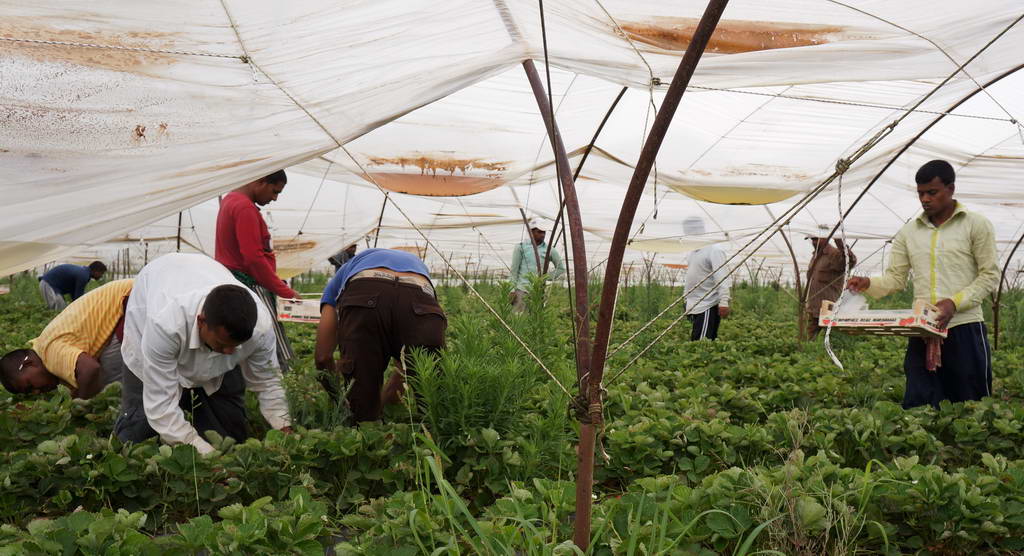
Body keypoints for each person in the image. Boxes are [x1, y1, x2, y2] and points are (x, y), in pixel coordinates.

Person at [847, 160, 998, 409]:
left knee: (971, 405)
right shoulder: (909, 232)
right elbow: (895, 279)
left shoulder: (975, 225)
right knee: (920, 405)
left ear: (950, 189)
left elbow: (989, 275)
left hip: (963, 327)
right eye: (920, 193)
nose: (925, 199)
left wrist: (954, 303)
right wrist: (866, 283)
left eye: (932, 192)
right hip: (922, 329)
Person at [114, 253, 292, 455]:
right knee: (139, 428)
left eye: (236, 346)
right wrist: (202, 453)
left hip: (199, 297)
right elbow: (161, 408)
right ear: (201, 321)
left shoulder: (260, 328)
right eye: (223, 344)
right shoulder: (165, 324)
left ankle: (221, 464)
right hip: (150, 323)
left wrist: (283, 425)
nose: (229, 352)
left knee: (228, 432)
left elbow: (268, 381)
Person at [314, 248, 446, 422]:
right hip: (420, 294)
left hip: (364, 291)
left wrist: (342, 400)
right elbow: (401, 373)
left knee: (361, 409)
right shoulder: (417, 267)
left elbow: (323, 357)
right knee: (434, 404)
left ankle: (365, 431)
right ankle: (438, 438)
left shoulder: (340, 278)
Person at [215, 170, 297, 371]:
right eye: (274, 191)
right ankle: (282, 386)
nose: (274, 198)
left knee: (245, 337)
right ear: (260, 181)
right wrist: (285, 291)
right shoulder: (244, 208)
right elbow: (254, 259)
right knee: (273, 344)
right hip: (251, 285)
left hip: (234, 283)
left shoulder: (230, 200)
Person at [0, 279, 132, 399]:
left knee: (110, 377)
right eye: (29, 393)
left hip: (131, 299)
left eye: (30, 386)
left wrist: (84, 401)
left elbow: (90, 369)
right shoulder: (43, 347)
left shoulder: (50, 354)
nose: (36, 391)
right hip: (130, 297)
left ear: (29, 364)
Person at [682, 216, 732, 341]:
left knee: (701, 343)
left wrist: (724, 302)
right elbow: (691, 278)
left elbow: (722, 277)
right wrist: (686, 300)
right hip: (694, 304)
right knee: (699, 339)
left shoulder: (714, 250)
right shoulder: (692, 252)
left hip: (707, 304)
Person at [804, 237, 857, 339]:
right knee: (808, 341)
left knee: (832, 340)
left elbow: (849, 261)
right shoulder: (815, 256)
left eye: (816, 239)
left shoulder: (834, 254)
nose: (814, 242)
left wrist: (840, 243)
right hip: (813, 309)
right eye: (812, 239)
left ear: (826, 238)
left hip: (829, 310)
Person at [509, 219, 565, 312]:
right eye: (539, 232)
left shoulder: (549, 249)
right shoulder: (521, 247)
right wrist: (511, 290)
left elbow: (560, 268)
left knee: (534, 318)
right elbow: (514, 271)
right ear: (531, 232)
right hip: (521, 290)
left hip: (538, 292)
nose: (542, 235)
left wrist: (545, 277)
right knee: (518, 320)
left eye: (544, 232)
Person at [38, 261, 107, 311]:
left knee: (62, 310)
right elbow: (78, 298)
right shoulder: (83, 276)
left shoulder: (84, 273)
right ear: (96, 271)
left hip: (49, 285)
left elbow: (74, 294)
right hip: (49, 284)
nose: (101, 276)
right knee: (59, 311)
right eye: (102, 273)